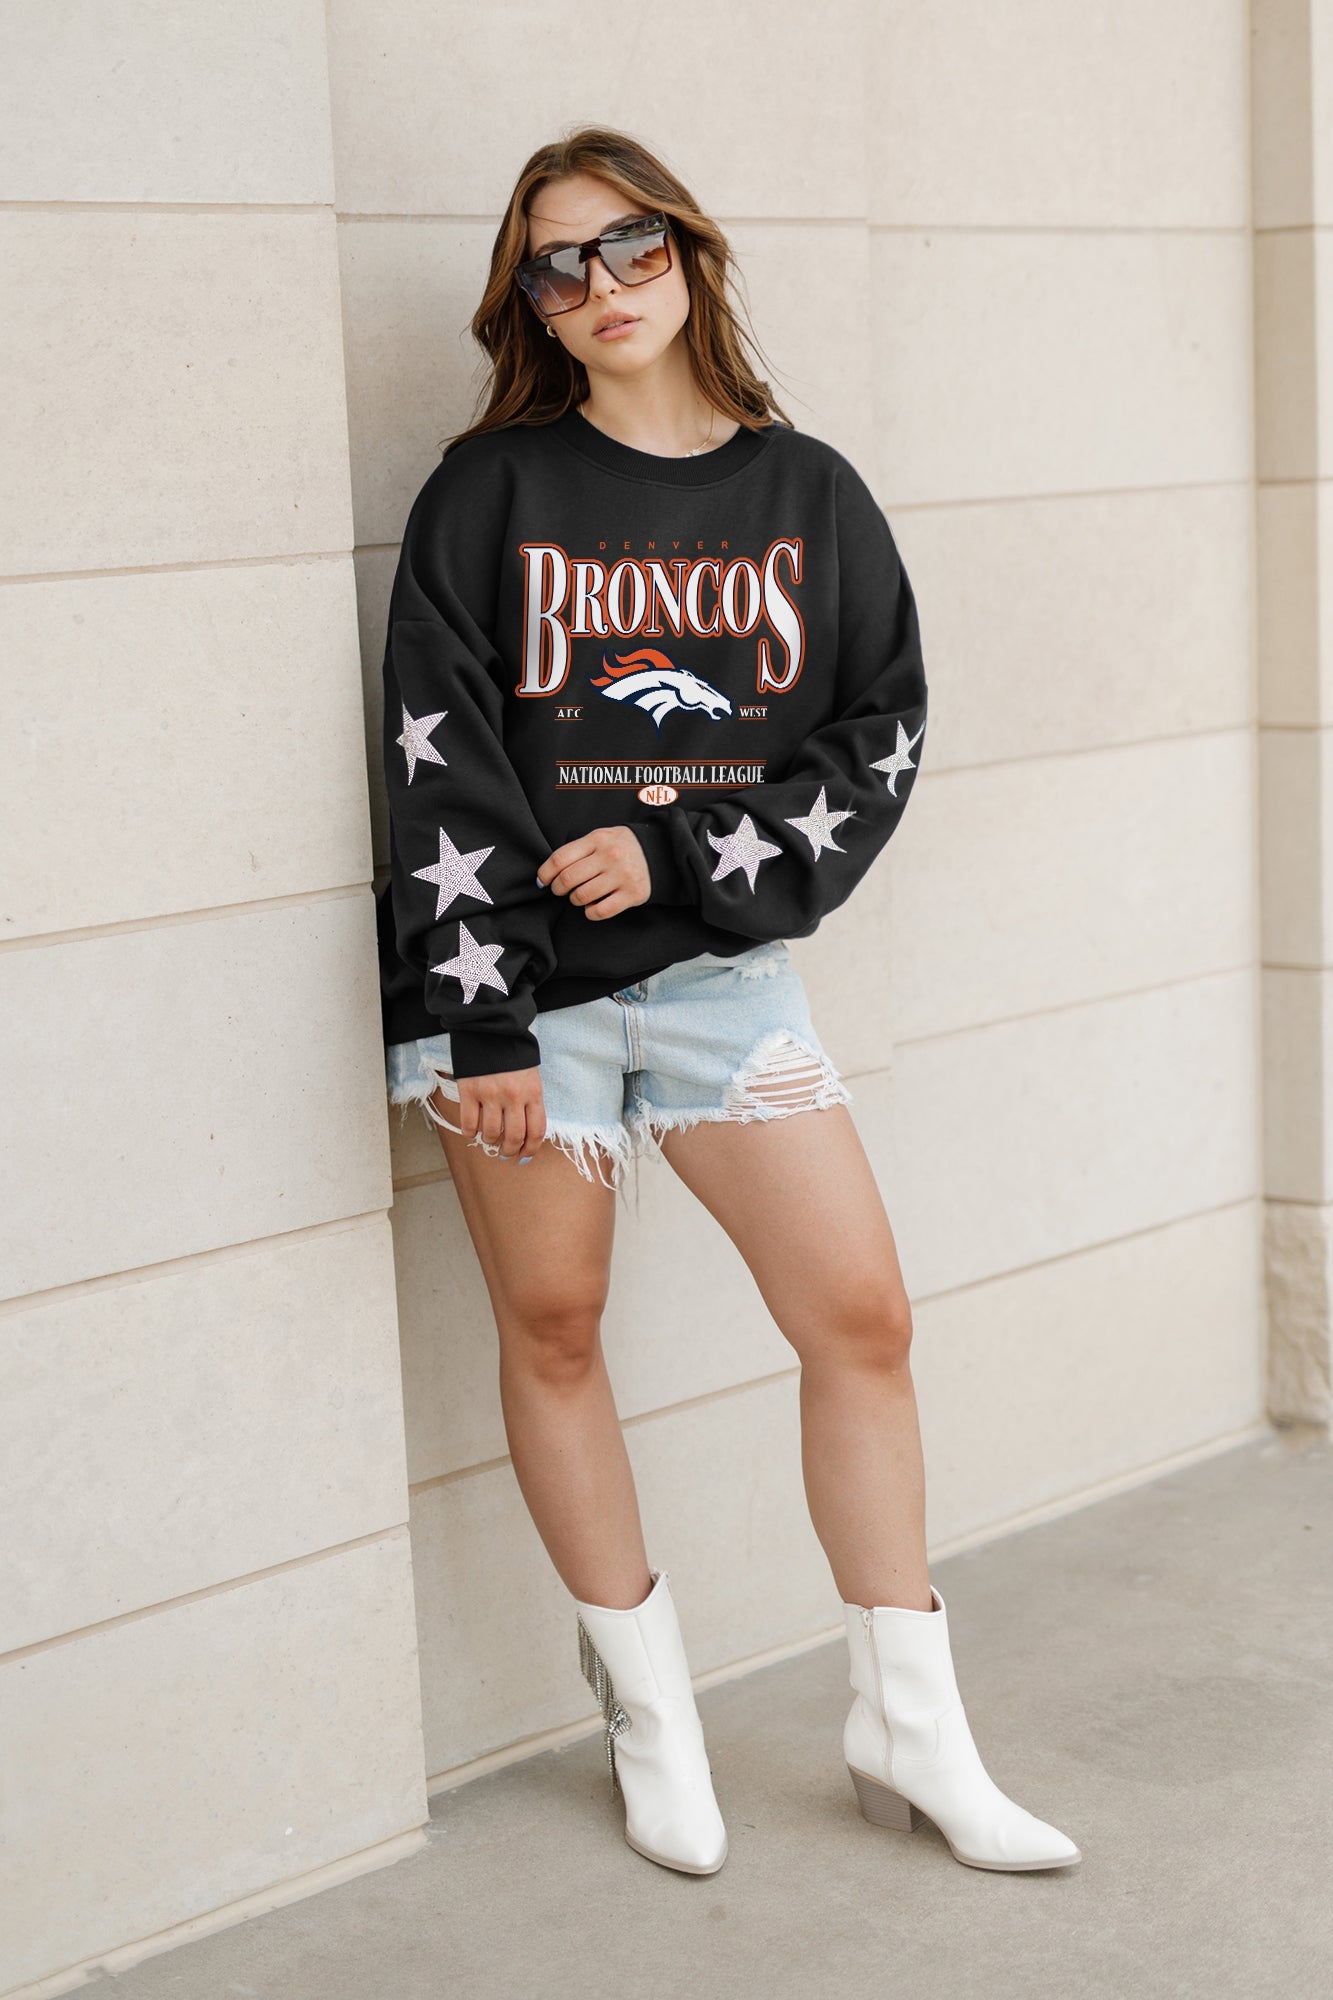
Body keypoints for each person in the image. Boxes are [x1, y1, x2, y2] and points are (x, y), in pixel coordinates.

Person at [376, 125, 1080, 1879]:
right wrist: (479, 1022)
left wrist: (678, 851)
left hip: (722, 980)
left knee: (861, 1321)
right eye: (555, 265)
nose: (599, 286)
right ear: (528, 302)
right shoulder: (488, 494)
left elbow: (877, 735)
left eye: (629, 246)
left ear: (688, 254)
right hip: (517, 994)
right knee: (554, 1329)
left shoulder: (806, 494)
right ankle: (651, 1722)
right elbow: (436, 758)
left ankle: (910, 1728)